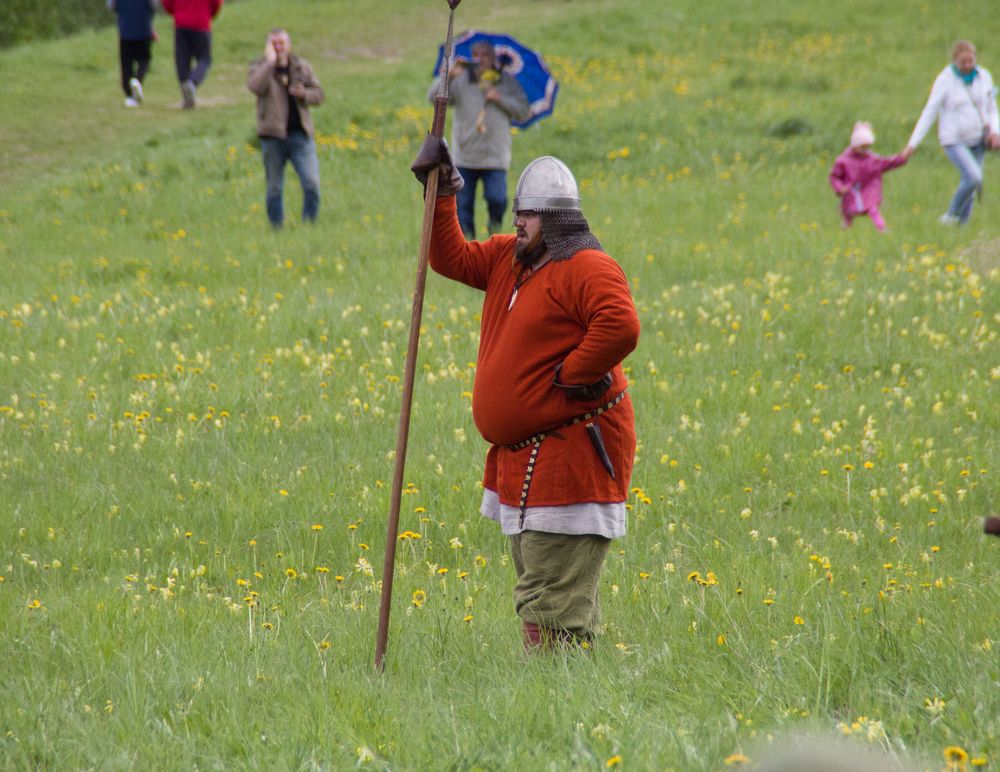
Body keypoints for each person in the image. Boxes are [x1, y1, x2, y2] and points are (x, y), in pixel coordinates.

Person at [412, 140, 640, 650]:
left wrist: (574, 374)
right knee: (540, 590)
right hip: (526, 456)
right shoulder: (508, 260)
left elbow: (621, 325)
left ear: (557, 219)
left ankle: (566, 695)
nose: (519, 223)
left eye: (529, 216)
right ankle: (558, 689)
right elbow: (450, 257)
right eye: (518, 214)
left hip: (572, 451)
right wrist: (443, 192)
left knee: (553, 598)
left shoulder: (587, 266)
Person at [427, 41, 530, 240]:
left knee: (497, 199)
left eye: (485, 55)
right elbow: (433, 97)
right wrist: (447, 75)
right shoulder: (461, 80)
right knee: (463, 207)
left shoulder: (506, 82)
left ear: (494, 58)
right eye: (475, 54)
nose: (480, 59)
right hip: (465, 156)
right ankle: (469, 244)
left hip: (495, 156)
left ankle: (494, 231)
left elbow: (523, 111)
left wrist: (499, 97)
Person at [904, 40, 1000, 225]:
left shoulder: (984, 76)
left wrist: (995, 131)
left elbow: (991, 108)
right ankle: (951, 216)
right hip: (953, 139)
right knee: (973, 177)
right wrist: (912, 144)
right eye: (963, 62)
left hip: (979, 139)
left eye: (970, 61)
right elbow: (930, 111)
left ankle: (961, 230)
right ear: (954, 60)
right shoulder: (945, 80)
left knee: (971, 188)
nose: (967, 66)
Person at [247, 29, 324, 228]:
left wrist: (304, 94)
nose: (279, 48)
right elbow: (255, 87)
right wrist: (270, 62)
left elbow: (319, 95)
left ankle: (309, 225)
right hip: (272, 138)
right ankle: (277, 229)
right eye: (274, 44)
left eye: (282, 43)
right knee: (274, 188)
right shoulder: (259, 67)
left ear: (289, 45)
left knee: (312, 184)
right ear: (268, 47)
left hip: (300, 136)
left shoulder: (301, 67)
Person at [828, 121, 908, 232]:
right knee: (848, 212)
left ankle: (882, 228)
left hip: (869, 190)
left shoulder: (872, 159)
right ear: (855, 146)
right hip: (850, 192)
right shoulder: (843, 161)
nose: (865, 150)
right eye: (862, 147)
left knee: (873, 208)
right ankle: (845, 230)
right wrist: (839, 188)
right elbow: (834, 176)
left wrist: (901, 158)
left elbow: (887, 163)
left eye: (867, 147)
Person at [162, 0, 222, 109]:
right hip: (201, 22)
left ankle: (185, 90)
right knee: (204, 58)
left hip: (181, 24)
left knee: (182, 60)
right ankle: (192, 83)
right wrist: (208, 14)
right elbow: (216, 3)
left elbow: (167, 3)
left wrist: (177, 13)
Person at [108, 0, 156, 108]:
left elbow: (111, 6)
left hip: (125, 29)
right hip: (144, 28)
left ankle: (129, 95)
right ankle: (137, 79)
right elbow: (154, 5)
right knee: (145, 59)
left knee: (126, 62)